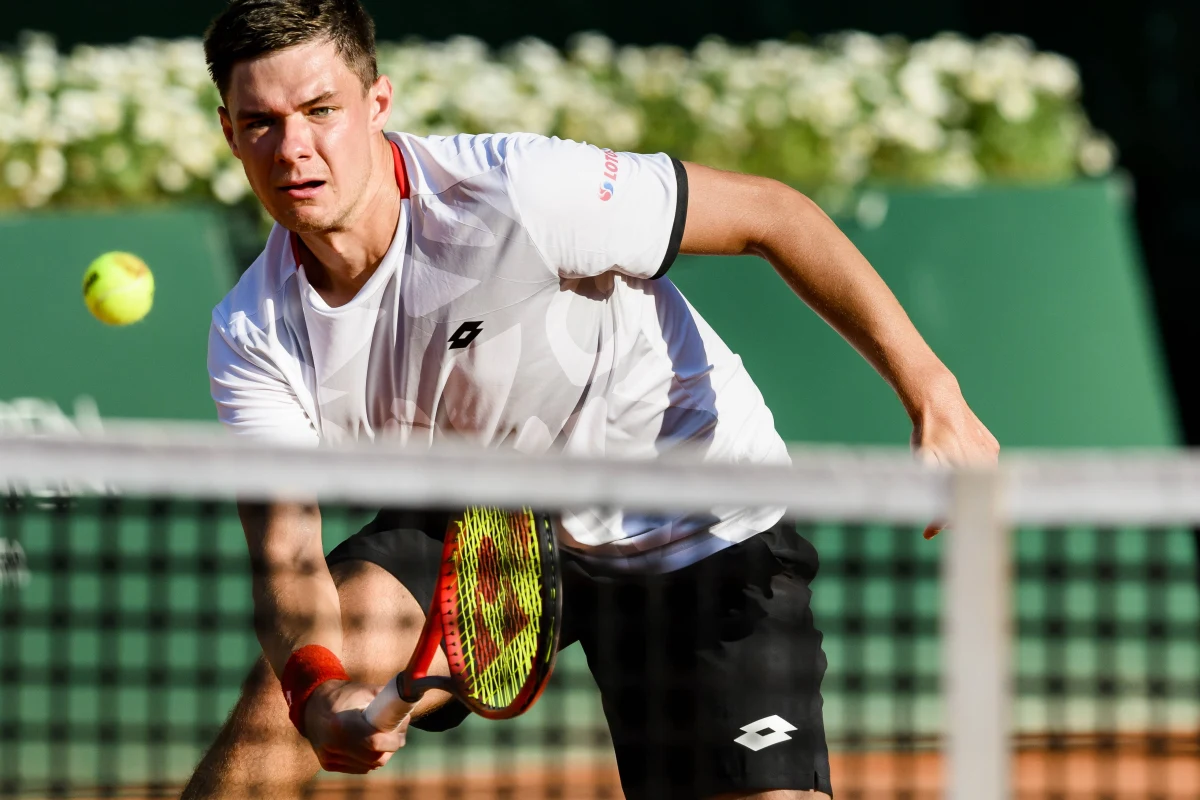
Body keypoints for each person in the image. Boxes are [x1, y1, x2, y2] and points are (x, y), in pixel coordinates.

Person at [184, 1, 999, 798]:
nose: (294, 148)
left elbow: (772, 215)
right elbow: (288, 554)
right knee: (281, 700)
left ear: (378, 104)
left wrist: (933, 393)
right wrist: (316, 693)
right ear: (230, 132)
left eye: (321, 110)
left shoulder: (522, 191)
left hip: (697, 524)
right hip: (494, 526)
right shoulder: (255, 332)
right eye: (261, 123)